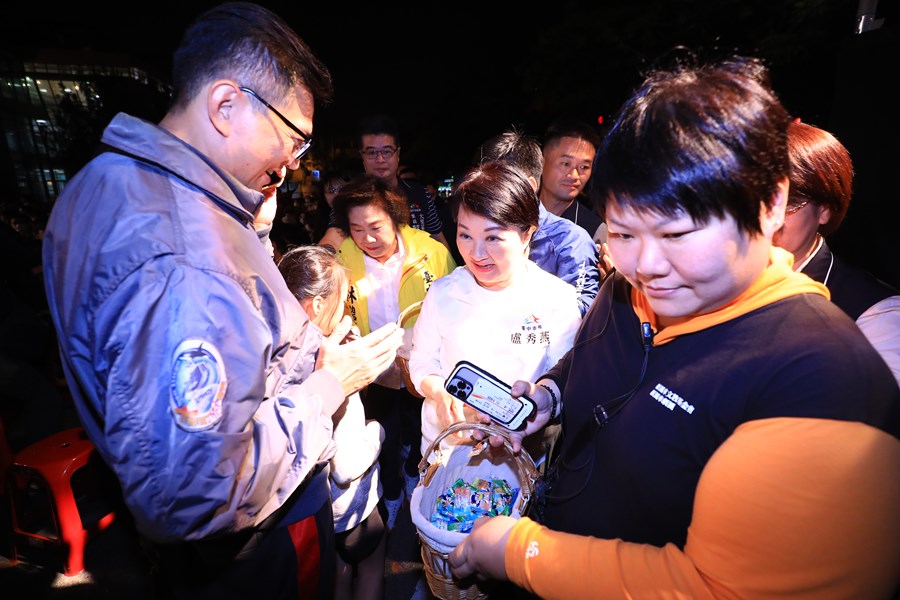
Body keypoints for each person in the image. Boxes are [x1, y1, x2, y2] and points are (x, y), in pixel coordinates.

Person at [448, 55, 900, 599]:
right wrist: (547, 399)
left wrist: (518, 551)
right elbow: (588, 362)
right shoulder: (625, 290)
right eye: (623, 233)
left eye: (678, 233)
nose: (646, 265)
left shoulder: (821, 382)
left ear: (771, 201)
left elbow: (719, 590)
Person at [40, 3, 404, 599]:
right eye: (294, 138)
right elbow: (196, 491)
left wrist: (252, 232)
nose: (294, 163)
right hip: (257, 546)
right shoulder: (187, 253)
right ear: (226, 105)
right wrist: (329, 383)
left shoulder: (104, 183)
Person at [407, 160, 582, 467]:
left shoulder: (557, 299)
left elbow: (566, 381)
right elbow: (422, 361)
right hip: (448, 449)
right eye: (465, 235)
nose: (476, 254)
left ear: (527, 234)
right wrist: (439, 392)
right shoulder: (443, 291)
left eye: (493, 238)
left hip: (522, 457)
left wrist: (536, 400)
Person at [332, 174, 457, 530]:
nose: (367, 238)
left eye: (375, 227)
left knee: (422, 425)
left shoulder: (431, 252)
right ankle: (391, 492)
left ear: (395, 219)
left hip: (423, 361)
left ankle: (413, 473)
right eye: (356, 229)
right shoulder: (345, 256)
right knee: (382, 428)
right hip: (377, 364)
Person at [278, 245, 387, 600]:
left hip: (316, 515)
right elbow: (344, 466)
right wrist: (377, 432)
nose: (346, 308)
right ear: (318, 305)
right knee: (370, 568)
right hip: (348, 507)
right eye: (342, 298)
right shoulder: (326, 371)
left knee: (335, 575)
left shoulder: (287, 353)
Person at [774, 120, 900, 386]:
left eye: (789, 203)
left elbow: (876, 417)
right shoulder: (709, 278)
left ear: (825, 210)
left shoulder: (877, 314)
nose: (767, 218)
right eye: (751, 201)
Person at [475, 128, 602, 316]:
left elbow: (582, 313)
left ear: (529, 185)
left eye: (500, 185)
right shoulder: (477, 231)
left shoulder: (572, 240)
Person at [318, 114, 449, 252]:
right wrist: (319, 261)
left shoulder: (419, 192)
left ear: (397, 153)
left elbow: (437, 238)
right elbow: (333, 237)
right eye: (371, 153)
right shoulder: (349, 196)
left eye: (386, 151)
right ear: (362, 156)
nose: (380, 159)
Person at [538, 117, 606, 244]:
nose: (574, 175)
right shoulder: (513, 214)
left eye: (584, 167)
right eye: (565, 164)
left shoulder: (594, 232)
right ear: (541, 162)